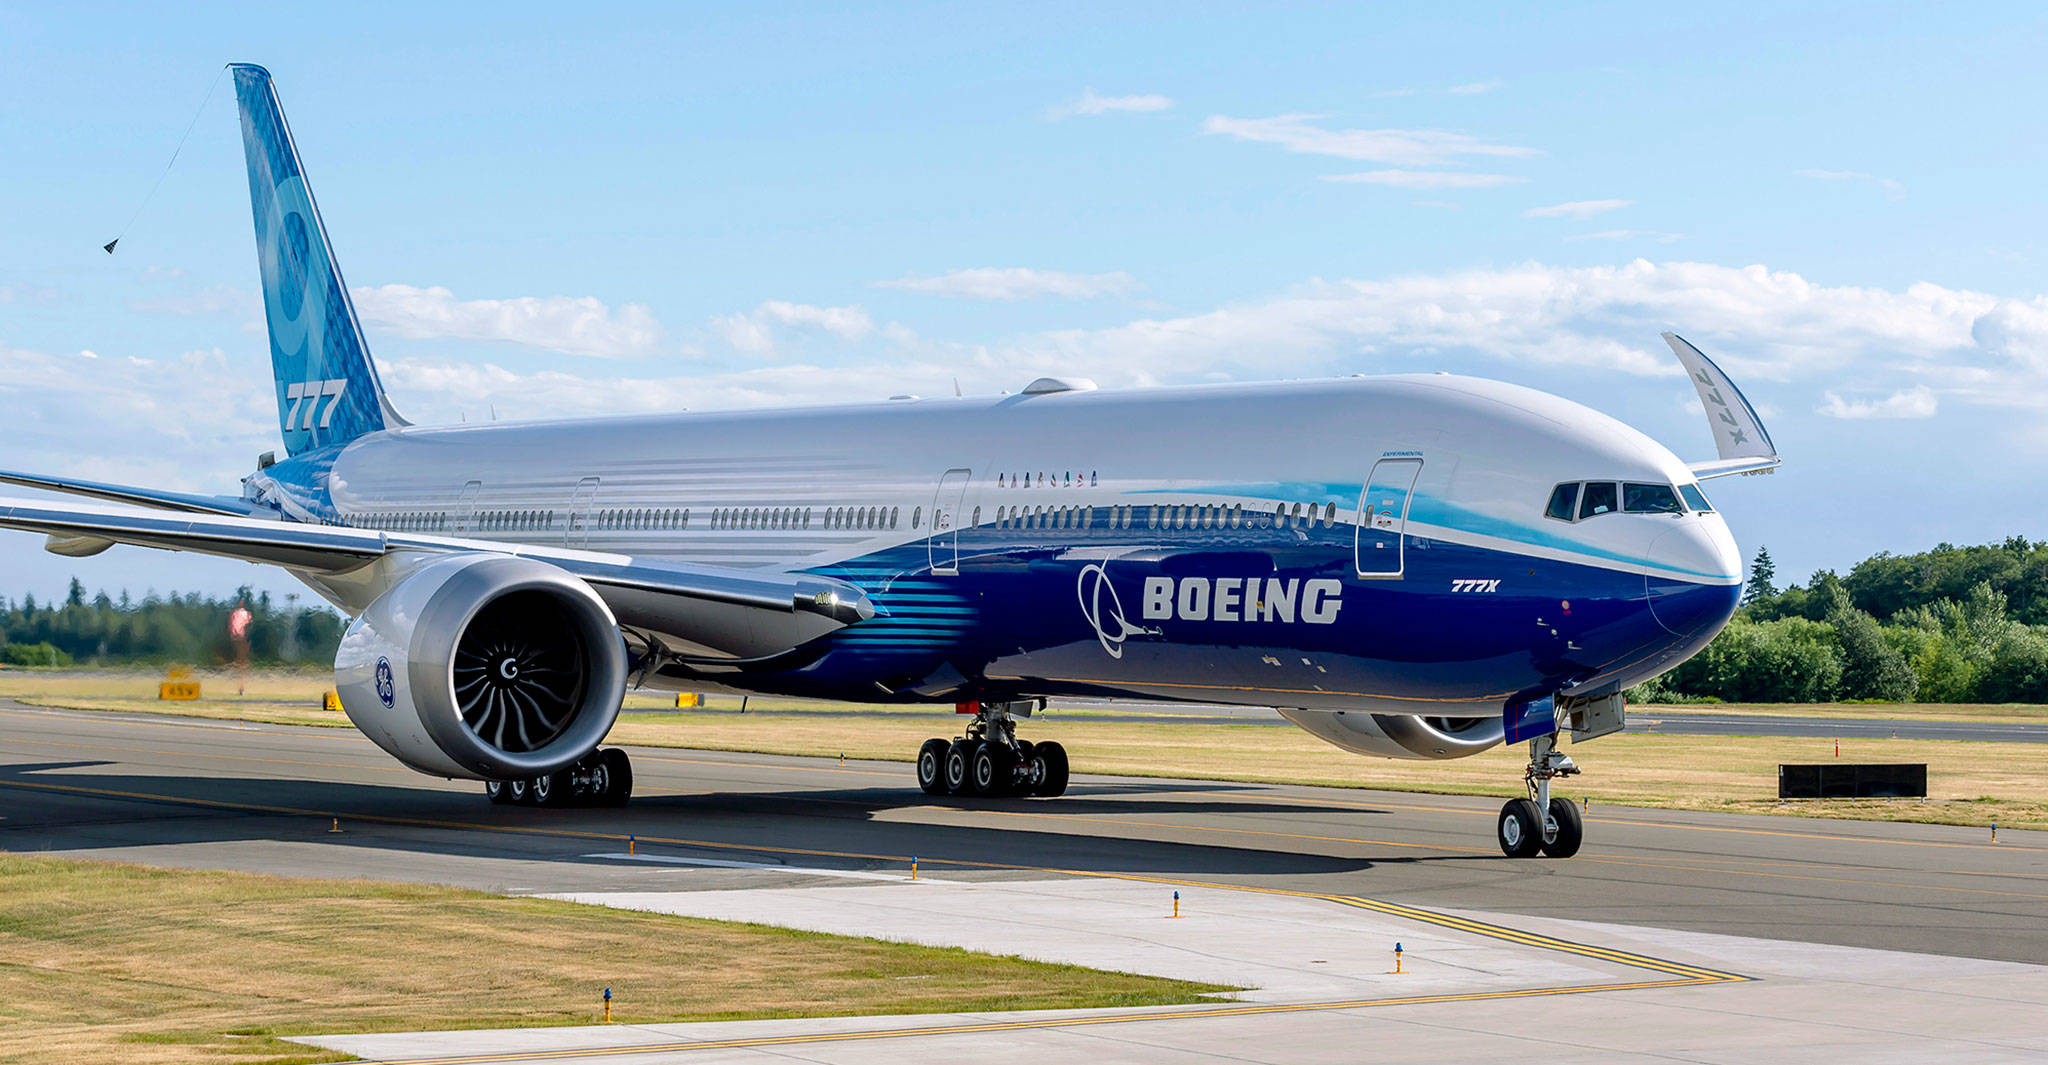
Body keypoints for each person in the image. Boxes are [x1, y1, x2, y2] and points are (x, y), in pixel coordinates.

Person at [228, 600, 253, 695]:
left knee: (240, 664)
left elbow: (232, 625)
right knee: (241, 664)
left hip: (238, 637)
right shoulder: (243, 614)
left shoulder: (235, 613)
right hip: (240, 637)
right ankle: (241, 688)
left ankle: (241, 688)